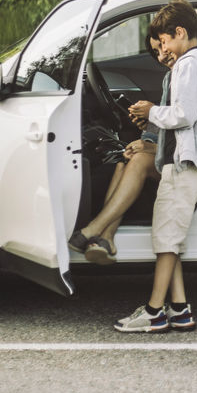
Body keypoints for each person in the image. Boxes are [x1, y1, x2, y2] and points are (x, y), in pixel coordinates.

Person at [112, 0, 197, 333]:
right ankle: (179, 308)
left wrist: (150, 112)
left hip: (185, 161)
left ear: (179, 32)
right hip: (194, 160)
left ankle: (153, 311)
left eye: (163, 42)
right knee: (171, 236)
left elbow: (184, 114)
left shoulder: (188, 66)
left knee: (165, 239)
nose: (162, 52)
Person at [67, 34, 173, 264]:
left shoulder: (190, 77)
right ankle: (106, 238)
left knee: (138, 160)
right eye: (156, 52)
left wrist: (151, 145)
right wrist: (148, 133)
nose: (161, 56)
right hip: (164, 151)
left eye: (163, 48)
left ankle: (92, 229)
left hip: (180, 161)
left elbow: (189, 131)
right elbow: (167, 125)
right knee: (123, 160)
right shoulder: (172, 78)